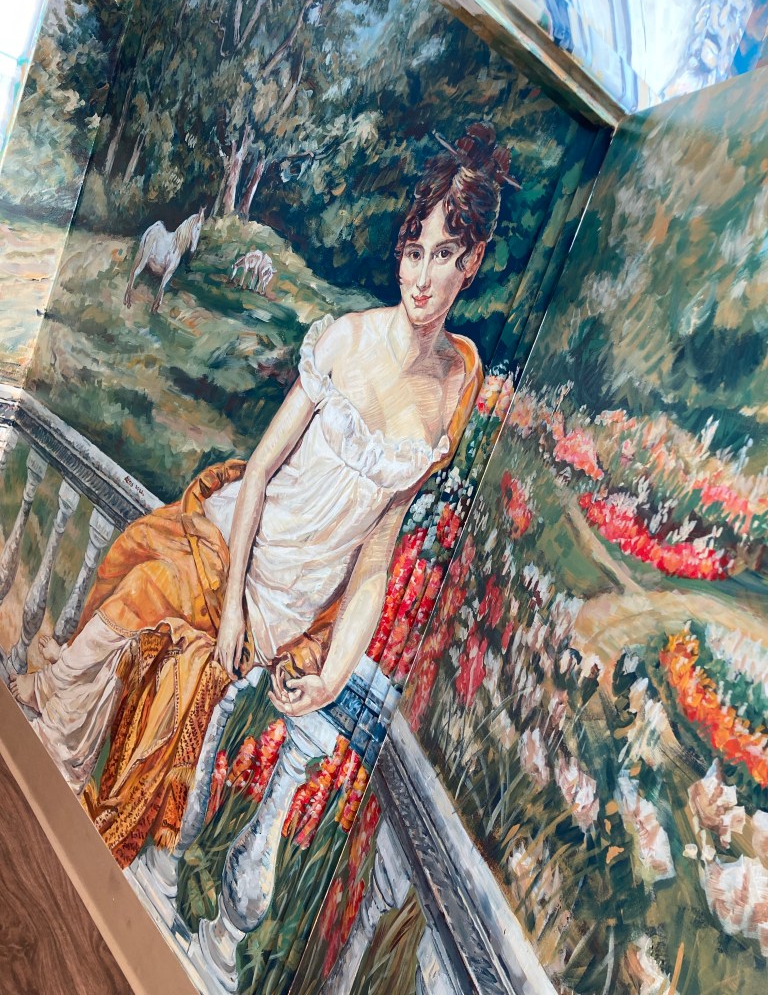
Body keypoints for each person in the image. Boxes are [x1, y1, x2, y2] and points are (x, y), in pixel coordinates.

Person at [10, 122, 512, 866]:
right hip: (239, 541)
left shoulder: (454, 387)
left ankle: (51, 805)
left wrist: (333, 675)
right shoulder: (345, 339)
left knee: (181, 674)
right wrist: (232, 604)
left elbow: (377, 553)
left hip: (294, 603)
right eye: (415, 251)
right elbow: (260, 473)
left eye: (444, 255)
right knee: (140, 586)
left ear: (471, 263)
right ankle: (35, 766)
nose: (422, 276)